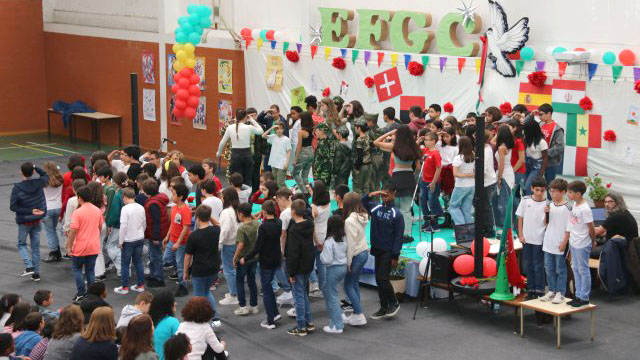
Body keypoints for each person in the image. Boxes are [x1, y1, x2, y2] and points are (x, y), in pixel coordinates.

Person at [362, 184, 404, 319]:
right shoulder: (375, 207)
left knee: (382, 278)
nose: (384, 197)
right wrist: (371, 194)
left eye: (387, 194)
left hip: (388, 251)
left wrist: (395, 256)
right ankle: (383, 307)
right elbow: (363, 202)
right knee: (378, 279)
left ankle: (394, 303)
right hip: (377, 248)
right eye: (383, 194)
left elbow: (398, 237)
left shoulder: (396, 214)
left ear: (393, 194)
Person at [373, 125, 421, 240]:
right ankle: (407, 234)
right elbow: (418, 167)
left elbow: (376, 142)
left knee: (396, 208)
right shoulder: (415, 148)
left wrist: (390, 132)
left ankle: (397, 232)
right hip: (409, 177)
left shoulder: (394, 147)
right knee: (406, 209)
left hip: (397, 176)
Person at [241, 200, 282, 329]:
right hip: (276, 258)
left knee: (267, 289)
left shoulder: (263, 227)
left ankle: (270, 320)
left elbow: (257, 247)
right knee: (269, 286)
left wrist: (245, 258)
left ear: (264, 211)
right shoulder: (278, 222)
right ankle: (274, 313)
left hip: (266, 261)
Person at [183, 205, 222, 327]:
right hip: (213, 268)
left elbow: (188, 256)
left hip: (199, 270)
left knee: (198, 297)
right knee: (206, 292)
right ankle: (215, 318)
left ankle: (199, 321)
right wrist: (208, 216)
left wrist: (185, 272)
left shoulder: (194, 236)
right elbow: (219, 225)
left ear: (197, 218)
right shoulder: (216, 231)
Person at [10, 162, 48, 281]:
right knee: (35, 247)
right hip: (37, 221)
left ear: (21, 172)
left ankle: (29, 266)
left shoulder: (17, 188)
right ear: (33, 172)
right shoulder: (40, 183)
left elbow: (13, 207)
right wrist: (35, 166)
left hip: (24, 221)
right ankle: (36, 273)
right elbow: (45, 175)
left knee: (21, 244)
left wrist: (30, 211)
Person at [67, 186, 104, 303]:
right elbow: (100, 227)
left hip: (80, 247)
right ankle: (92, 294)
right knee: (90, 271)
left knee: (77, 269)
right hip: (93, 246)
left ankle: (81, 293)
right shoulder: (97, 210)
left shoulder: (77, 212)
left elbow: (73, 231)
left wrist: (69, 246)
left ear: (79, 198)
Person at [286, 199, 316, 337]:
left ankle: (301, 326)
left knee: (298, 296)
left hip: (297, 267)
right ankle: (308, 322)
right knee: (303, 294)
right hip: (308, 264)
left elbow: (293, 254)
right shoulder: (310, 224)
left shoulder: (293, 231)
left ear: (293, 212)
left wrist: (291, 272)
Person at [339, 193, 369, 326]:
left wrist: (348, 262)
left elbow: (350, 244)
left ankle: (359, 314)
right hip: (363, 252)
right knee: (354, 283)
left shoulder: (349, 221)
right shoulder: (362, 216)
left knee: (348, 285)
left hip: (356, 254)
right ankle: (356, 313)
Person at [540, 179, 571, 304]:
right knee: (548, 268)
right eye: (551, 191)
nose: (552, 194)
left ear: (563, 192)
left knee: (560, 269)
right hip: (548, 241)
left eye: (555, 192)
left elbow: (569, 227)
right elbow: (545, 223)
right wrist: (546, 213)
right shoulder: (550, 205)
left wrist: (564, 242)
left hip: (560, 241)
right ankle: (552, 290)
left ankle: (560, 292)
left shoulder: (568, 207)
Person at [516, 177, 547, 300]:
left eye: (542, 191)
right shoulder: (525, 200)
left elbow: (547, 223)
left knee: (538, 265)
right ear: (532, 189)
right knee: (528, 265)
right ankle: (531, 290)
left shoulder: (547, 204)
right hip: (527, 238)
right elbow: (520, 218)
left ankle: (539, 290)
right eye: (537, 190)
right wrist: (520, 234)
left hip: (539, 239)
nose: (539, 193)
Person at [566, 180, 595, 307]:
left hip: (583, 243)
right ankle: (577, 295)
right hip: (574, 241)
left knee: (583, 270)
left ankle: (584, 297)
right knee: (575, 268)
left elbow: (591, 228)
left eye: (570, 192)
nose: (568, 194)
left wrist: (592, 241)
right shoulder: (574, 204)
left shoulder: (585, 209)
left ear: (578, 194)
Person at [216, 109, 264, 186]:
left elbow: (222, 142)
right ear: (246, 117)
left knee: (235, 179)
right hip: (247, 155)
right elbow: (261, 131)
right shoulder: (248, 127)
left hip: (235, 155)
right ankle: (246, 196)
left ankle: (236, 194)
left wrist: (219, 152)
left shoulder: (230, 127)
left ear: (236, 117)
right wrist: (252, 120)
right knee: (247, 179)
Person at [320, 215, 348, 334]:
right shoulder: (344, 238)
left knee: (331, 296)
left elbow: (327, 260)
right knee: (330, 292)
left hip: (333, 269)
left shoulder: (329, 241)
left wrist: (321, 255)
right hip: (343, 267)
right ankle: (338, 317)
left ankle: (337, 325)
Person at [115, 188, 147, 295]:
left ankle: (124, 288)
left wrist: (120, 242)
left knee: (125, 264)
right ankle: (140, 285)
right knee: (138, 262)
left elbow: (123, 226)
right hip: (139, 238)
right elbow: (144, 223)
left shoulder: (125, 209)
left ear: (124, 197)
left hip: (128, 240)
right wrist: (141, 233)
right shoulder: (141, 207)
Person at [162, 183, 191, 297]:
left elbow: (186, 227)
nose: (171, 197)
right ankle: (184, 272)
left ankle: (183, 285)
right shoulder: (174, 208)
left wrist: (178, 242)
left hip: (181, 242)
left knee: (180, 264)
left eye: (173, 194)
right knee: (166, 259)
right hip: (172, 240)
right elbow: (173, 224)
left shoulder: (185, 210)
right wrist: (167, 236)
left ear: (180, 196)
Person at [232, 203, 260, 316]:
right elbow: (254, 220)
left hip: (243, 258)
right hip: (254, 257)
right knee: (252, 281)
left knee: (239, 282)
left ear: (241, 214)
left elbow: (240, 245)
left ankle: (243, 306)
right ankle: (254, 306)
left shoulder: (242, 228)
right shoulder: (256, 224)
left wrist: (235, 257)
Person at [143, 179, 170, 288]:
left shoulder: (153, 203)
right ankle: (154, 274)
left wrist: (155, 236)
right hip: (157, 232)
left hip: (156, 234)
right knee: (153, 255)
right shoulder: (158, 199)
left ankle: (158, 278)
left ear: (146, 192)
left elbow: (156, 221)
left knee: (156, 256)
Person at [593, 191, 639, 257]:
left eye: (610, 202)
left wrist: (586, 228)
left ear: (618, 202)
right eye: (605, 202)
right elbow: (613, 231)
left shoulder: (615, 216)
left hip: (621, 249)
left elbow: (597, 232)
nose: (606, 204)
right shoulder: (624, 212)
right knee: (598, 242)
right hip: (629, 247)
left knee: (586, 252)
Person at [417, 132, 443, 232]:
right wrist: (419, 140)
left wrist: (433, 183)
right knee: (423, 202)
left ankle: (434, 225)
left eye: (427, 140)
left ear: (433, 141)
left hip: (432, 182)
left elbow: (438, 168)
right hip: (424, 181)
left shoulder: (436, 153)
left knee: (432, 203)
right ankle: (427, 221)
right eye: (425, 139)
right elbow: (415, 149)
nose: (425, 141)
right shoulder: (425, 150)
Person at [218, 188, 240, 306]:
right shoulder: (237, 209)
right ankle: (235, 292)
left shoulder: (227, 212)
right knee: (234, 269)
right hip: (237, 242)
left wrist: (219, 243)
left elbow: (225, 230)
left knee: (229, 270)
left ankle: (233, 294)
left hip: (228, 244)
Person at [309, 181, 331, 296]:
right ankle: (323, 286)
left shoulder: (314, 208)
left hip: (315, 237)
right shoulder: (328, 204)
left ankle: (314, 283)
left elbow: (312, 226)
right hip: (324, 235)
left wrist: (316, 241)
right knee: (321, 263)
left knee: (310, 262)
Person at [534, 104, 564, 184]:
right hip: (538, 161)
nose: (539, 117)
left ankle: (550, 197)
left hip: (550, 163)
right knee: (535, 184)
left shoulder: (557, 128)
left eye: (541, 114)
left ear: (549, 114)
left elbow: (560, 147)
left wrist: (545, 153)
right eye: (538, 114)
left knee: (550, 186)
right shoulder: (539, 124)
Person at [105, 172, 128, 276]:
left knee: (111, 246)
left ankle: (122, 268)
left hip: (118, 225)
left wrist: (109, 224)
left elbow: (114, 213)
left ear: (117, 183)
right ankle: (124, 266)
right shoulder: (128, 192)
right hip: (128, 225)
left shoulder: (117, 196)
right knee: (122, 245)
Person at [437, 127, 459, 228]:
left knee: (451, 197)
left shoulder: (456, 148)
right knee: (445, 196)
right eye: (443, 136)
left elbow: (455, 162)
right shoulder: (440, 146)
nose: (445, 138)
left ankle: (453, 219)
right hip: (442, 172)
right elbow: (435, 142)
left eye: (447, 136)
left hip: (450, 172)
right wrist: (439, 134)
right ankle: (447, 219)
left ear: (453, 136)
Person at [41, 161, 64, 263]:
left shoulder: (44, 181)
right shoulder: (60, 179)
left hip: (48, 208)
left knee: (50, 231)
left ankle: (54, 252)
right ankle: (57, 251)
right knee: (53, 230)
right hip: (58, 207)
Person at [494, 124, 516, 230]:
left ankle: (506, 226)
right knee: (506, 200)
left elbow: (501, 164)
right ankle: (507, 224)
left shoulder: (502, 147)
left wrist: (499, 178)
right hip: (508, 172)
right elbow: (492, 141)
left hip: (504, 174)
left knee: (504, 201)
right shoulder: (507, 145)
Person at [275, 188, 294, 306]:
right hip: (297, 246)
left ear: (283, 198)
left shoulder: (284, 214)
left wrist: (282, 250)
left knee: (287, 272)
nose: (277, 202)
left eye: (278, 200)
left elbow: (283, 234)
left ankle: (291, 295)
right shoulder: (296, 208)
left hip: (289, 247)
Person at [149, 290, 178, 360]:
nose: (176, 303)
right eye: (173, 301)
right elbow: (179, 346)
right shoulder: (173, 322)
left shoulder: (147, 320)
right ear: (168, 305)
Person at [523, 119, 548, 195]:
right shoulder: (527, 139)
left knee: (528, 188)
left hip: (536, 167)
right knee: (524, 188)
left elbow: (545, 159)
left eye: (526, 130)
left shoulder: (541, 142)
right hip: (527, 165)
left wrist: (541, 174)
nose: (524, 131)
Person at [291, 111, 315, 194]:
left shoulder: (301, 132)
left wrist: (295, 159)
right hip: (311, 151)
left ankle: (304, 192)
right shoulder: (312, 129)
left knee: (295, 173)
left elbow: (299, 146)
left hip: (303, 153)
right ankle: (309, 191)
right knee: (305, 175)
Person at [262, 122, 291, 189]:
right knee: (274, 181)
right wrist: (271, 128)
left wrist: (287, 163)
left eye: (281, 128)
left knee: (280, 182)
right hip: (274, 162)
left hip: (282, 163)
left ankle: (287, 195)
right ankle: (277, 195)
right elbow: (263, 135)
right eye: (277, 129)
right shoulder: (273, 137)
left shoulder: (286, 139)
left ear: (283, 129)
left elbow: (289, 151)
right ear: (275, 130)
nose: (279, 130)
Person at [352, 119, 373, 195]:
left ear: (359, 128)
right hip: (369, 164)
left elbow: (360, 156)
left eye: (356, 127)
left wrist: (357, 168)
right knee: (366, 187)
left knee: (359, 188)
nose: (355, 129)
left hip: (362, 166)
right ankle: (366, 204)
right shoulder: (368, 136)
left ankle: (359, 205)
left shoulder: (359, 140)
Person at [313, 123, 336, 188]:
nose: (315, 132)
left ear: (322, 131)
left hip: (323, 172)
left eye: (316, 130)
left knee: (322, 189)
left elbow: (326, 157)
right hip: (321, 170)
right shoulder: (325, 141)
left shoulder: (324, 143)